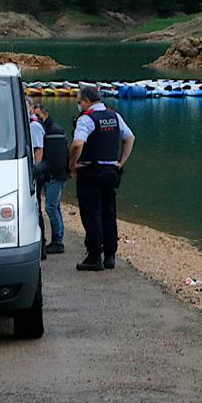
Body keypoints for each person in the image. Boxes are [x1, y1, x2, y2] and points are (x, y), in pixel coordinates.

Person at [68, 85, 135, 271]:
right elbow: (130, 138)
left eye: (79, 101)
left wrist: (72, 165)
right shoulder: (114, 116)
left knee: (91, 214)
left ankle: (94, 255)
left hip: (90, 171)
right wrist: (120, 162)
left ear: (88, 101)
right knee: (109, 213)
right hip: (111, 172)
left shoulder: (86, 119)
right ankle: (110, 255)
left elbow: (77, 144)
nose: (79, 105)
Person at [32, 103, 68, 254]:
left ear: (45, 114)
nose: (37, 119)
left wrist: (39, 171)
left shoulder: (50, 132)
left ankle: (57, 241)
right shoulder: (56, 129)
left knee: (51, 207)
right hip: (59, 174)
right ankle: (58, 237)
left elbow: (48, 155)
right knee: (56, 206)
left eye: (38, 116)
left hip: (54, 175)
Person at [28, 98, 48, 261]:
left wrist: (35, 172)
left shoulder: (34, 125)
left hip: (34, 173)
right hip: (31, 172)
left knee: (37, 209)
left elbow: (38, 151)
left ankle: (41, 246)